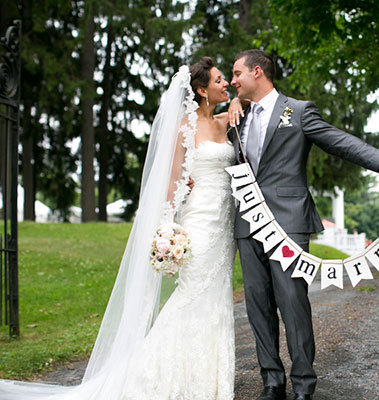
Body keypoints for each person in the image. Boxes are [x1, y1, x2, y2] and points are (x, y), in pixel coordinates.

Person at [0, 57, 240, 400]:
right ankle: (154, 373)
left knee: (216, 296)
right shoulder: (185, 127)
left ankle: (206, 380)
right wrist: (166, 228)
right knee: (193, 294)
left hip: (224, 223)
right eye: (219, 81)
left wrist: (234, 101)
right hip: (200, 219)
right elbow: (173, 181)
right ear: (202, 90)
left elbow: (249, 99)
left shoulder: (224, 121)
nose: (226, 84)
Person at [228, 49, 379, 400]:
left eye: (237, 73)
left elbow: (338, 141)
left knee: (292, 301)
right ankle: (272, 382)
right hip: (247, 222)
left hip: (288, 222)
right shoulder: (235, 118)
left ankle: (303, 385)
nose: (232, 81)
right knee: (257, 303)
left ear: (258, 71)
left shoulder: (298, 111)